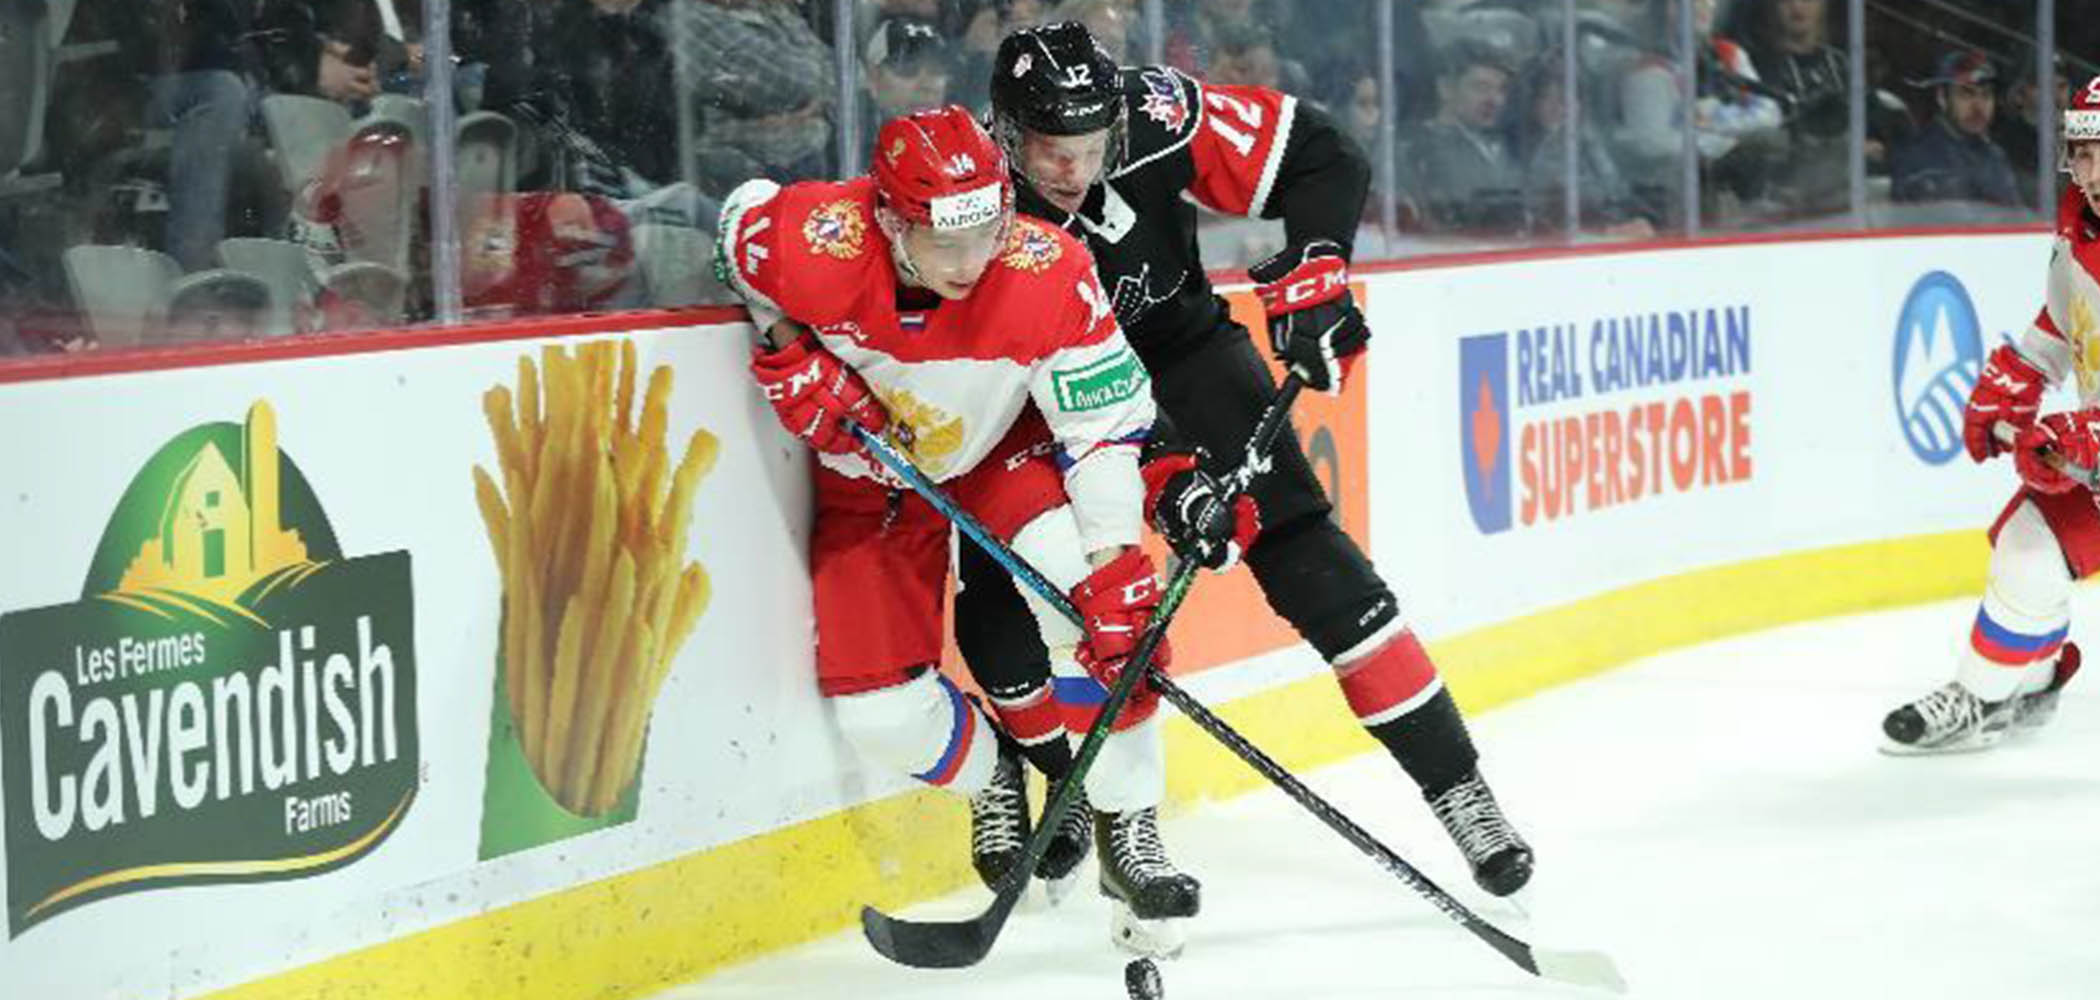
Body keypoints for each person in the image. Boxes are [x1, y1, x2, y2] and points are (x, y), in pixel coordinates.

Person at [962, 20, 1535, 901]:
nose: (1073, 171)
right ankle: (1047, 775)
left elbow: (1322, 153)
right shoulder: (966, 186)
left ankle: (1461, 789)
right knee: (1029, 580)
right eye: (1049, 150)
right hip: (1035, 391)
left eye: (1089, 146)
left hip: (1180, 354)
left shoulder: (1156, 113)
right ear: (1006, 131)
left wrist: (1316, 268)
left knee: (1311, 556)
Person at [712, 106, 1201, 951]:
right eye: (947, 243)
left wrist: (1115, 559)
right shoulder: (815, 241)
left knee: (1097, 619)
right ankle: (995, 774)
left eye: (989, 235)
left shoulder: (1048, 270)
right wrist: (789, 344)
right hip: (875, 480)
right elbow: (735, 230)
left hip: (999, 452)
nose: (974, 264)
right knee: (877, 714)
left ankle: (1130, 824)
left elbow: (1104, 427)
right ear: (891, 222)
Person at [1881, 76, 2100, 754]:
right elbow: (2066, 325)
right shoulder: (2078, 226)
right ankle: (2008, 689)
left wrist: (2081, 437)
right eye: (2080, 152)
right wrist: (2018, 379)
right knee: (2027, 551)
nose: (2087, 170)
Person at [1889, 50, 2021, 207]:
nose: (1978, 106)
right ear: (1942, 98)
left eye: (1986, 95)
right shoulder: (1914, 155)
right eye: (1966, 95)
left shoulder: (1995, 157)